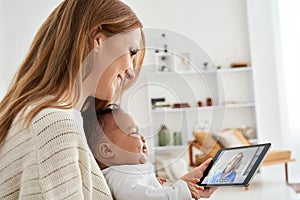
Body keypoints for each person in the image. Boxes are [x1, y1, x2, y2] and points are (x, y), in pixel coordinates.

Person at [0, 0, 216, 199]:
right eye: (131, 51)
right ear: (98, 40)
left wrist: (173, 190)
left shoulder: (34, 116)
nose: (131, 72)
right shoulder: (55, 125)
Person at [82, 103, 216, 200]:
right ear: (107, 150)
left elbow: (149, 193)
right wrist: (179, 191)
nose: (142, 137)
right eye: (133, 132)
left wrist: (156, 184)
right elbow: (142, 196)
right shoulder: (120, 175)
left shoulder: (126, 172)